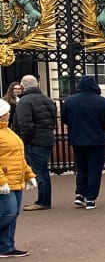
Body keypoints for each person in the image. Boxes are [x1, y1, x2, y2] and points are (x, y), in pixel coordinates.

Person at [61, 75, 105, 209]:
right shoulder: (102, 101)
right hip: (97, 140)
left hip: (77, 139)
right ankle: (91, 198)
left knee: (82, 168)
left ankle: (80, 193)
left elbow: (64, 119)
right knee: (95, 170)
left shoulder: (69, 101)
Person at [13, 75, 57, 211]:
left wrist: (23, 141)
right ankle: (44, 200)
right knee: (42, 170)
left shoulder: (24, 101)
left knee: (40, 172)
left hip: (35, 141)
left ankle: (43, 201)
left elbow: (25, 125)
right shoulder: (47, 98)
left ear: (22, 86)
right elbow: (54, 119)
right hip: (47, 138)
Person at [0, 98, 37, 258]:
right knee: (8, 212)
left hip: (15, 178)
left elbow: (19, 157)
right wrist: (1, 181)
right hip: (5, 180)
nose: (9, 114)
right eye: (6, 112)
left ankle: (6, 246)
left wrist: (28, 174)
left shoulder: (8, 131)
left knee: (13, 213)